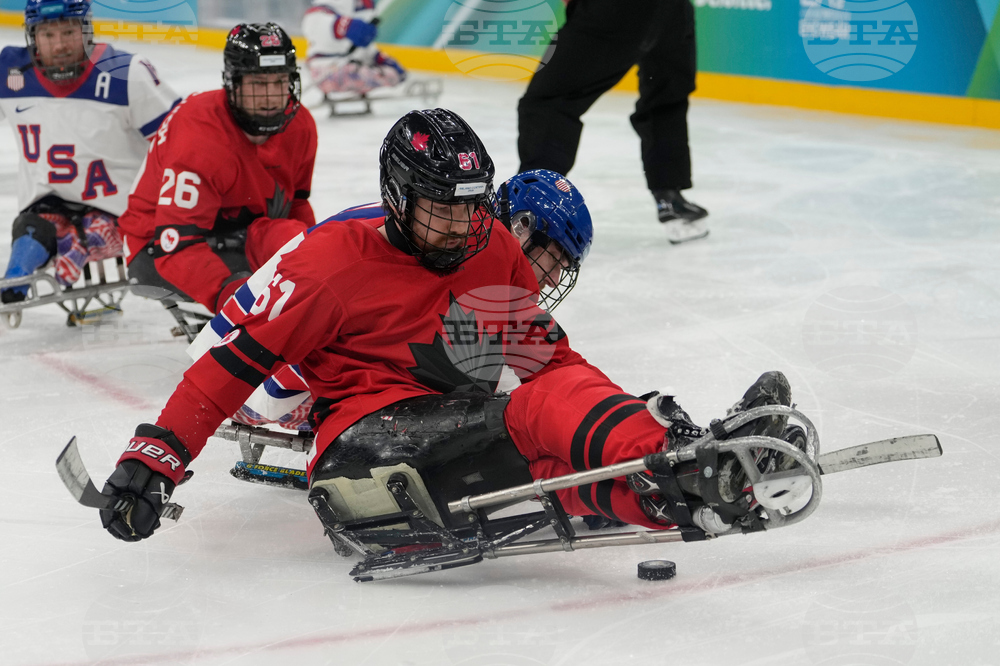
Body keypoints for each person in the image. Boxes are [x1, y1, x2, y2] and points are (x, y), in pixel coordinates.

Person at [96, 108, 789, 544]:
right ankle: (684, 456)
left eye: (472, 206)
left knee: (549, 457)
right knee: (530, 417)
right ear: (398, 197)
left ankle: (688, 493)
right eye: (442, 208)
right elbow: (226, 369)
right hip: (362, 458)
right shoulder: (329, 263)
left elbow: (550, 365)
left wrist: (632, 422)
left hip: (445, 450)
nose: (462, 225)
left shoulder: (492, 248)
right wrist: (153, 460)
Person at [192, 167, 595, 434]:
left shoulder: (442, 234)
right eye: (554, 259)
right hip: (245, 377)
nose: (554, 278)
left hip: (249, 356)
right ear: (521, 228)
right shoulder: (416, 243)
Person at [118, 22, 317, 314]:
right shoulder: (200, 135)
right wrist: (234, 300)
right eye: (258, 84)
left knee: (308, 254)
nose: (271, 97)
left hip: (244, 234)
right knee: (275, 292)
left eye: (279, 82)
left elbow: (296, 205)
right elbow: (175, 245)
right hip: (158, 247)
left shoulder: (300, 126)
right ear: (233, 84)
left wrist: (320, 263)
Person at [0, 0, 180, 304]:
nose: (59, 45)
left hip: (124, 214)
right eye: (48, 35)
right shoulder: (10, 72)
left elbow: (181, 141)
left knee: (87, 237)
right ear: (32, 37)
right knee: (28, 236)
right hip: (47, 207)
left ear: (86, 30)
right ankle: (13, 288)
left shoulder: (126, 73)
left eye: (68, 32)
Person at [517, 0, 709, 245]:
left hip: (615, 9)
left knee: (549, 101)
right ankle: (670, 198)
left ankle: (533, 208)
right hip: (673, 11)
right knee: (665, 100)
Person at [301, 0, 405, 97]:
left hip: (351, 65)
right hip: (325, 69)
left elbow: (360, 45)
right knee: (389, 76)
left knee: (391, 74)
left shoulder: (366, 5)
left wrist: (377, 57)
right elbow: (314, 21)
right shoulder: (326, 8)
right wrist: (340, 25)